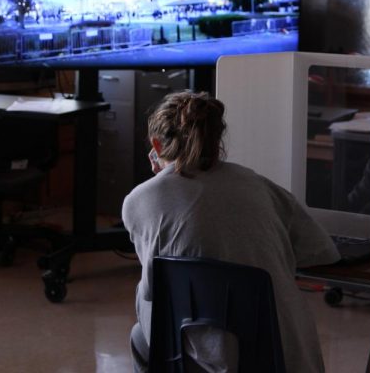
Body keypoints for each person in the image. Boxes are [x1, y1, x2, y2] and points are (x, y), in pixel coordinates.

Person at [123, 91, 340, 373]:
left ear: (155, 145)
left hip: (214, 361)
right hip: (287, 359)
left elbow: (155, 293)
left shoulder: (139, 201)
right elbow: (321, 251)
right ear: (216, 140)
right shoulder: (256, 183)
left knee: (142, 329)